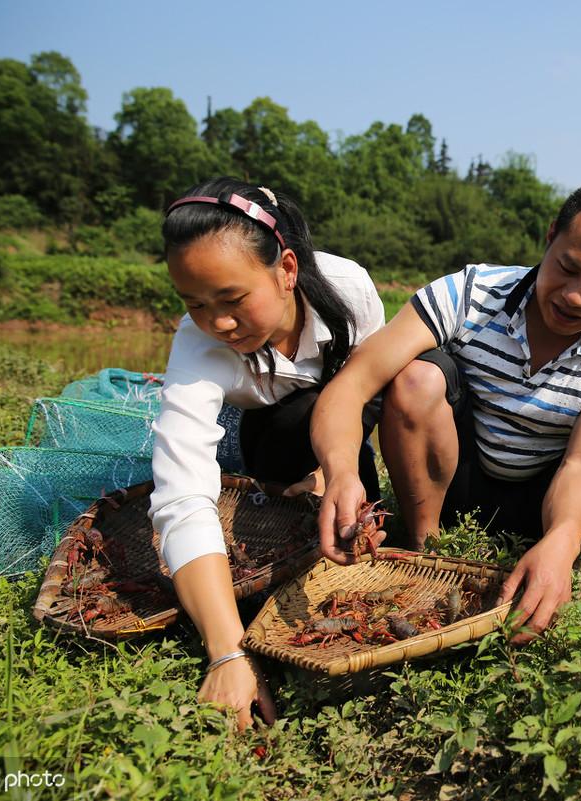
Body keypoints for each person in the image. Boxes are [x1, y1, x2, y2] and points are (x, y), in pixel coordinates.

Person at [311, 178, 581, 643]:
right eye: (566, 268)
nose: (574, 297)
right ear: (550, 238)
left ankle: (557, 557)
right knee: (417, 377)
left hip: (545, 497)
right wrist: (342, 471)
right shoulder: (470, 293)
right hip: (456, 480)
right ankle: (425, 546)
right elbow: (353, 383)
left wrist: (563, 537)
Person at [149, 178, 385, 729]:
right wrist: (228, 653)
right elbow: (182, 497)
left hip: (343, 420)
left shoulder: (346, 286)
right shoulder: (198, 345)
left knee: (418, 379)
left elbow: (369, 387)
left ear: (286, 268)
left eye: (233, 300)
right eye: (195, 304)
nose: (219, 323)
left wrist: (335, 469)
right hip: (261, 433)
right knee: (285, 436)